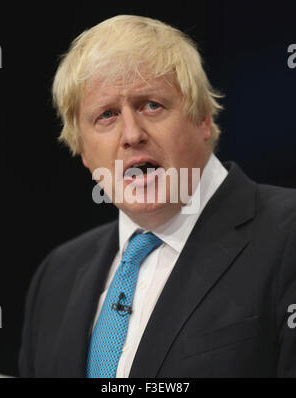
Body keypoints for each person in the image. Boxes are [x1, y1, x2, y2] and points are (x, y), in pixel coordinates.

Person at [19, 14, 296, 378]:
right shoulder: (56, 276)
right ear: (84, 152)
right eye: (106, 115)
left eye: (152, 105)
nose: (132, 134)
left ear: (202, 119)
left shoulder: (287, 235)